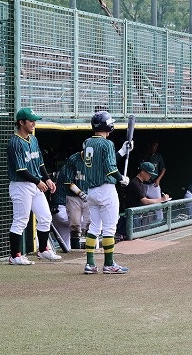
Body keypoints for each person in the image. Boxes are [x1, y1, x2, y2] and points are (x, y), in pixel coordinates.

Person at [6, 107, 61, 265]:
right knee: (21, 220)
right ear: (21, 122)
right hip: (20, 185)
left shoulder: (33, 139)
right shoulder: (15, 142)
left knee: (45, 217)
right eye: (31, 121)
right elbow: (21, 170)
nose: (34, 124)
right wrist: (38, 181)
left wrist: (47, 179)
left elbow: (39, 163)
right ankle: (15, 256)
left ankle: (43, 250)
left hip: (34, 184)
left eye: (34, 121)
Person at [82, 111, 132, 274]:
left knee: (94, 227)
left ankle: (90, 264)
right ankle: (109, 264)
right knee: (109, 228)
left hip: (91, 191)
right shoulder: (107, 144)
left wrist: (122, 152)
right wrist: (121, 178)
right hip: (106, 190)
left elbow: (103, 162)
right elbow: (110, 168)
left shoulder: (87, 142)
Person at [116, 162, 170, 237]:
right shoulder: (134, 183)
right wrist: (161, 199)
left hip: (138, 214)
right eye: (149, 173)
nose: (150, 176)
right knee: (135, 236)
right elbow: (145, 201)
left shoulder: (141, 183)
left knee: (140, 235)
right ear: (142, 171)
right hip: (134, 215)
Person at [55, 151, 89, 250]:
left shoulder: (91, 167)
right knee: (87, 223)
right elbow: (69, 183)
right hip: (62, 209)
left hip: (64, 210)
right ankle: (82, 250)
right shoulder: (68, 167)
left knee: (67, 245)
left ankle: (76, 251)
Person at [141, 140, 167, 221]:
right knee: (142, 204)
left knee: (159, 205)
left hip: (154, 184)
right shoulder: (143, 155)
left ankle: (159, 221)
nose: (155, 148)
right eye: (153, 146)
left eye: (156, 146)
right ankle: (142, 222)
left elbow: (163, 169)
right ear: (149, 145)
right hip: (143, 184)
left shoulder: (158, 156)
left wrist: (158, 179)